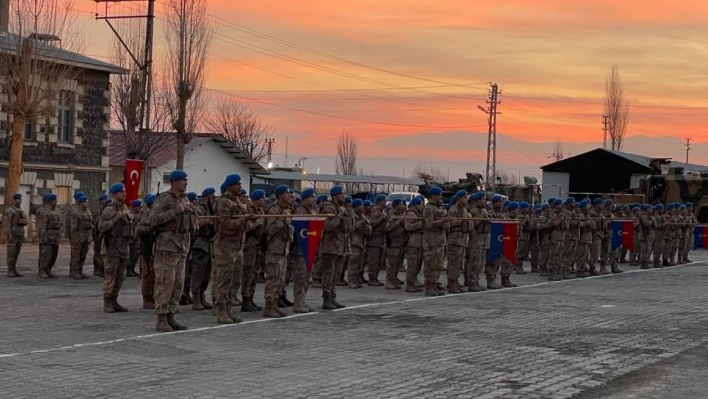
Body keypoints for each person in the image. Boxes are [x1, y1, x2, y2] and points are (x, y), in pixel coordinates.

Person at [150, 170, 194, 332]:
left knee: (178, 283)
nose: (185, 183)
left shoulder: (185, 199)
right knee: (165, 282)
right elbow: (153, 219)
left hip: (182, 245)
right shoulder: (164, 199)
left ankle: (171, 316)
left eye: (186, 180)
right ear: (174, 182)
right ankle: (161, 318)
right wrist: (174, 212)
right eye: (182, 180)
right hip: (167, 246)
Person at [213, 174, 255, 324]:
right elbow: (225, 223)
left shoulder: (238, 202)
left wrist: (248, 222)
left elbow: (244, 225)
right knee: (224, 280)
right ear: (229, 186)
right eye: (236, 184)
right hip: (225, 246)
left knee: (235, 280)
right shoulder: (223, 202)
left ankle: (229, 309)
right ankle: (220, 310)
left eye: (239, 183)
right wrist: (244, 219)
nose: (239, 186)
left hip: (238, 246)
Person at [98, 183, 135, 313]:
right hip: (111, 247)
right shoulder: (109, 209)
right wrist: (115, 219)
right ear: (114, 194)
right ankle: (107, 302)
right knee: (110, 276)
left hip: (123, 247)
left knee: (120, 277)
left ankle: (114, 300)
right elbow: (101, 226)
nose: (124, 194)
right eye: (121, 192)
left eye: (124, 191)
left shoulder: (125, 207)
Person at [263, 185, 295, 318]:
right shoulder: (274, 210)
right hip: (274, 250)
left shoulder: (285, 210)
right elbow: (269, 229)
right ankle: (268, 307)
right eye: (287, 193)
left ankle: (275, 305)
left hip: (283, 250)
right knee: (273, 280)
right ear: (280, 195)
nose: (289, 196)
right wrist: (282, 220)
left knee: (280, 281)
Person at [320, 186, 350, 309]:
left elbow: (347, 228)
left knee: (336, 274)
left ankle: (333, 297)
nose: (343, 196)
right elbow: (328, 226)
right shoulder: (329, 208)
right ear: (334, 195)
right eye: (341, 194)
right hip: (330, 246)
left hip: (340, 245)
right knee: (329, 273)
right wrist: (339, 215)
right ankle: (326, 299)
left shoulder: (342, 208)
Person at [291, 188, 318, 312]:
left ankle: (303, 300)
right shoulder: (299, 211)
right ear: (305, 198)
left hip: (310, 246)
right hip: (301, 248)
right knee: (301, 276)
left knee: (307, 276)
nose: (313, 199)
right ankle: (298, 302)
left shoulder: (312, 210)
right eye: (311, 197)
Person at [190, 188, 216, 311]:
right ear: (205, 197)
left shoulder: (212, 209)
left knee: (207, 274)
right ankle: (195, 297)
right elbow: (195, 223)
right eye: (211, 197)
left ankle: (202, 295)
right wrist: (208, 220)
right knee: (198, 272)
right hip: (200, 243)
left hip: (210, 243)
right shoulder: (199, 209)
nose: (213, 199)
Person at [241, 189, 266, 313]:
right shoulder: (249, 211)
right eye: (262, 198)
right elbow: (244, 228)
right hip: (249, 245)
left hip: (258, 245)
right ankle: (245, 299)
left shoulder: (261, 211)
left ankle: (250, 297)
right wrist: (256, 224)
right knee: (248, 273)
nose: (264, 200)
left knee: (255, 273)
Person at [422, 187, 447, 296]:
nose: (440, 197)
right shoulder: (429, 208)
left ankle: (434, 284)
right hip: (431, 241)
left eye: (441, 195)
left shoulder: (439, 208)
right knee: (430, 264)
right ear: (432, 196)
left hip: (439, 240)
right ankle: (428, 286)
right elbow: (428, 224)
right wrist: (442, 221)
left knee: (437, 264)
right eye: (438, 195)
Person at [136, 194, 157, 309]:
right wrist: (152, 226)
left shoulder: (155, 214)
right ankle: (147, 298)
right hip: (147, 248)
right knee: (148, 275)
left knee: (155, 275)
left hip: (154, 248)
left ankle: (153, 297)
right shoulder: (148, 215)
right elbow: (140, 230)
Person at [446, 190, 469, 293]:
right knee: (454, 263)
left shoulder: (464, 209)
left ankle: (455, 282)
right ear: (459, 198)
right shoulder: (453, 209)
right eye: (464, 197)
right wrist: (463, 220)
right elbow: (450, 223)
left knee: (459, 264)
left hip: (462, 240)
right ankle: (451, 284)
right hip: (455, 239)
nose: (466, 199)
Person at [466, 191, 488, 291]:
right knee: (474, 262)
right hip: (475, 239)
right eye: (483, 199)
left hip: (482, 239)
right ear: (477, 200)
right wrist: (482, 218)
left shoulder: (484, 210)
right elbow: (472, 224)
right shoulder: (473, 211)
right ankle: (472, 282)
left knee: (479, 262)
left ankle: (477, 281)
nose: (485, 201)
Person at [3, 193, 27, 277]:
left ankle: (14, 269)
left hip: (19, 233)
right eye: (17, 199)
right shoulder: (10, 210)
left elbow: (24, 220)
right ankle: (10, 270)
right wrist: (8, 235)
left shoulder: (20, 209)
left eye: (20, 199)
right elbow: (6, 224)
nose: (19, 200)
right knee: (11, 253)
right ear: (14, 200)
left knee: (16, 253)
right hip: (13, 234)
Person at [69, 195, 93, 279]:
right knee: (76, 256)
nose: (87, 203)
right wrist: (74, 238)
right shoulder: (76, 212)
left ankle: (80, 270)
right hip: (78, 237)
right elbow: (73, 227)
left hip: (86, 237)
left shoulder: (87, 211)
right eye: (85, 202)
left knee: (83, 255)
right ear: (81, 203)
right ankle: (74, 272)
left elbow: (90, 224)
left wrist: (90, 237)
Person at [403, 197, 424, 292]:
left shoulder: (418, 213)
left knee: (417, 264)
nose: (422, 206)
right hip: (413, 242)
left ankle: (414, 280)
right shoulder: (411, 213)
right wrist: (420, 224)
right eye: (420, 204)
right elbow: (408, 227)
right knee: (412, 264)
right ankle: (409, 283)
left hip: (418, 242)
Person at [366, 194, 387, 286]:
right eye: (384, 200)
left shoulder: (383, 212)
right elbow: (371, 224)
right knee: (374, 260)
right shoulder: (375, 213)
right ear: (379, 201)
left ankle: (375, 277)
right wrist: (380, 218)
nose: (385, 201)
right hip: (374, 240)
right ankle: (372, 278)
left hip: (381, 239)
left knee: (379, 261)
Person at [38, 194, 61, 278]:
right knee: (45, 254)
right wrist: (44, 237)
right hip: (47, 236)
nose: (56, 202)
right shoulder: (43, 211)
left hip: (55, 236)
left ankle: (48, 269)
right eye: (55, 200)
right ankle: (42, 270)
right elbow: (42, 226)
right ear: (50, 201)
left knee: (53, 255)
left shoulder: (55, 211)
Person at [93, 194, 109, 277]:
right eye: (104, 200)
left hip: (103, 236)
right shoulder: (97, 212)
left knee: (102, 254)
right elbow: (95, 226)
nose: (105, 201)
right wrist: (95, 238)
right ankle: (97, 269)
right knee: (98, 254)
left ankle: (101, 269)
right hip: (98, 235)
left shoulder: (105, 210)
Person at [127, 199, 142, 278]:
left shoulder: (137, 215)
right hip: (131, 238)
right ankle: (128, 270)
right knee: (130, 255)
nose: (140, 208)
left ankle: (132, 268)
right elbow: (130, 228)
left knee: (135, 255)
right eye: (139, 206)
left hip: (136, 237)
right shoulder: (130, 215)